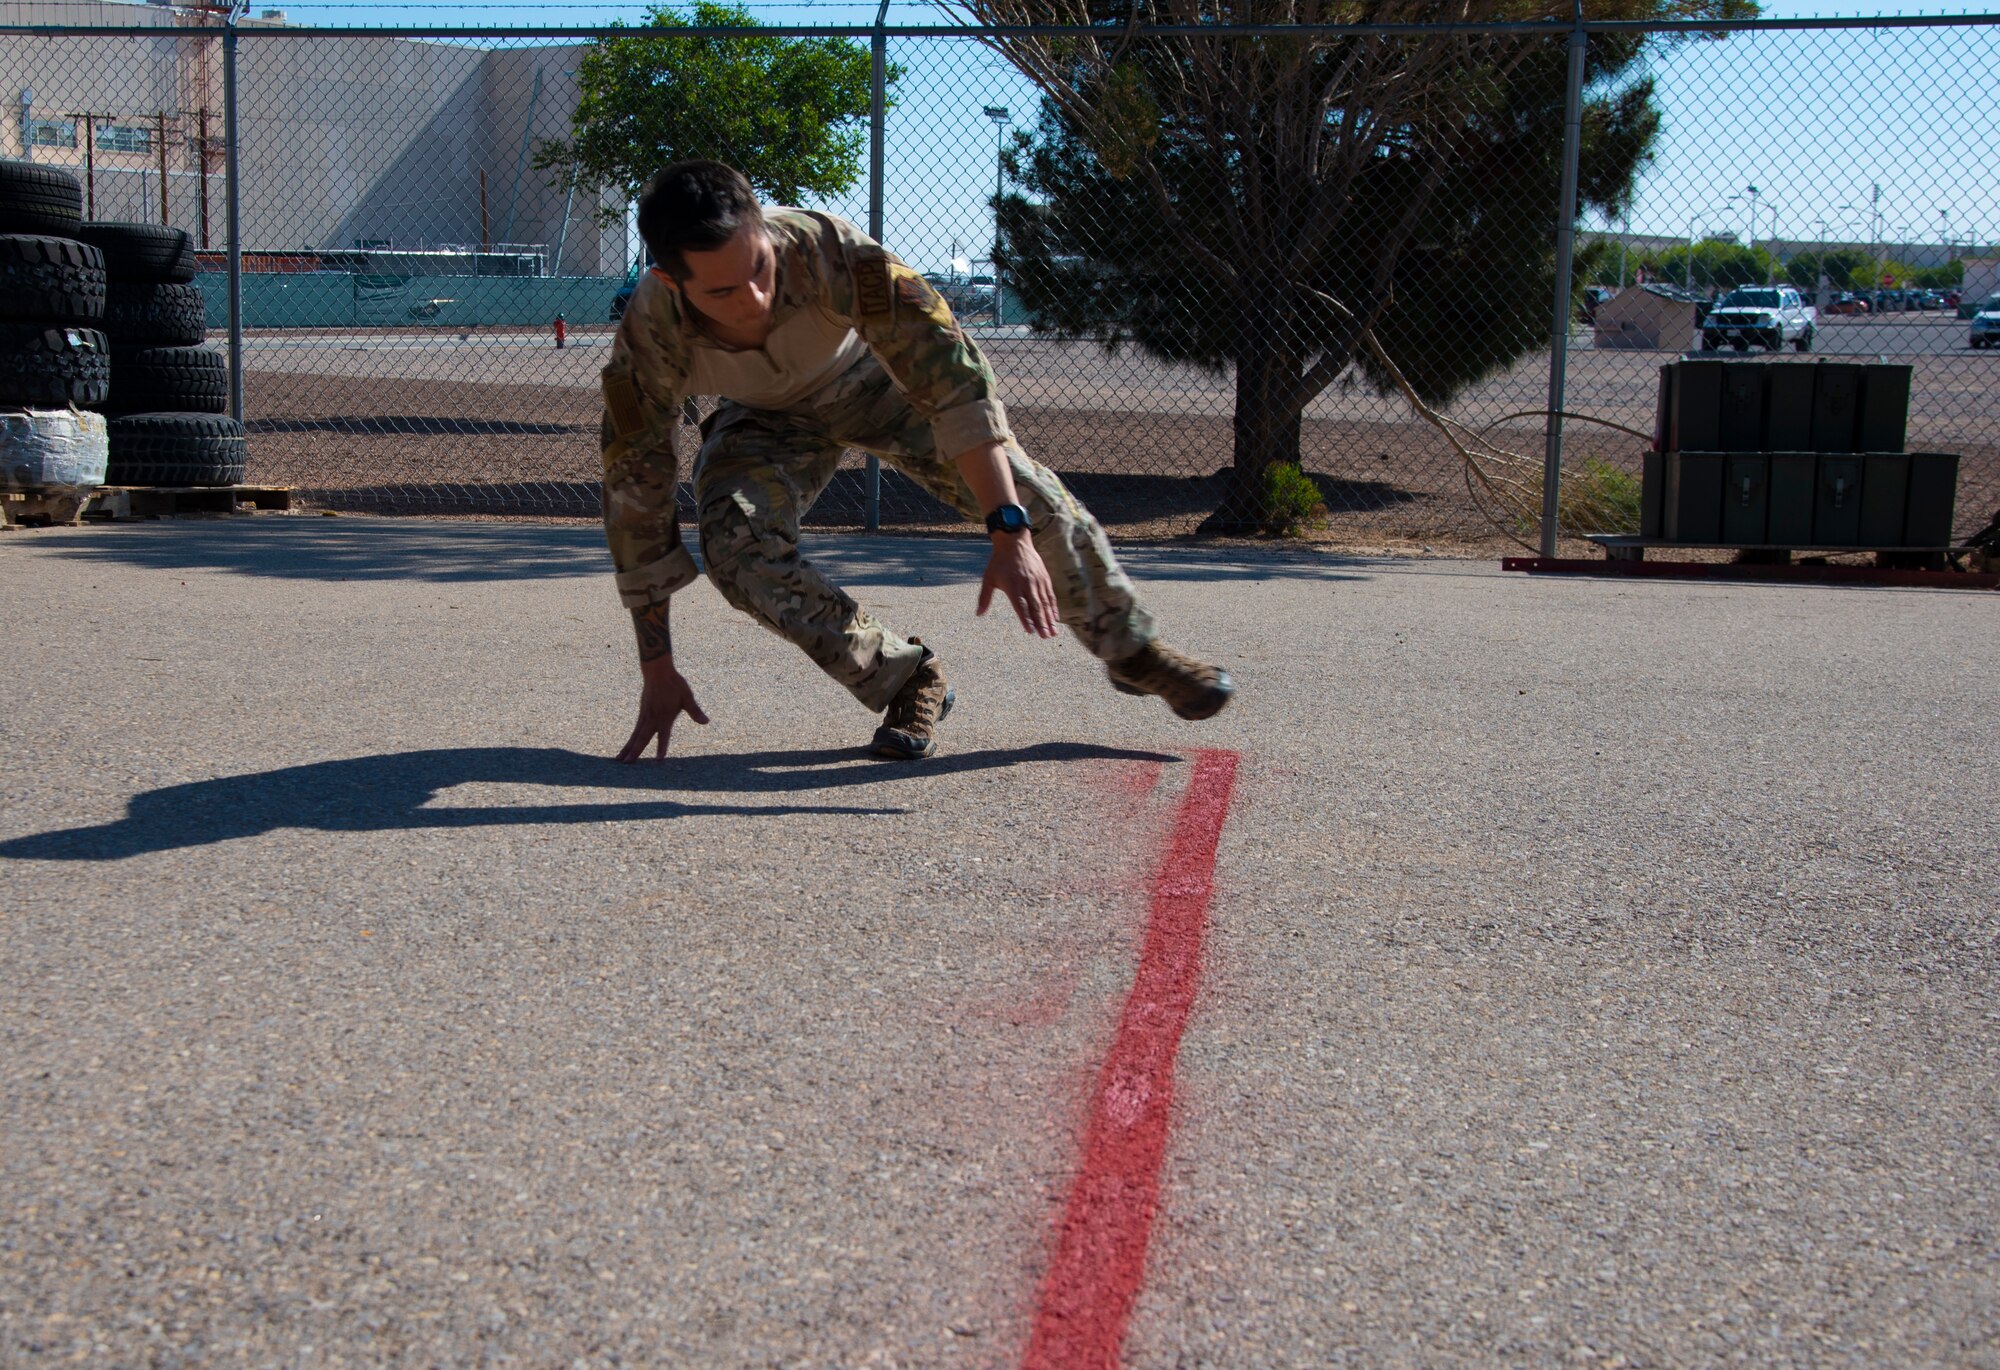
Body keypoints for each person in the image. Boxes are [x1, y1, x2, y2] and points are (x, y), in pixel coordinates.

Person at [599, 160, 1234, 763]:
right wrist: (656, 668)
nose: (758, 299)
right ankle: (906, 679)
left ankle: (1131, 651)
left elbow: (951, 380)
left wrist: (1007, 528)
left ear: (765, 230)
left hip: (878, 382)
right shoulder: (648, 338)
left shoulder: (831, 253)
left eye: (762, 269)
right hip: (764, 418)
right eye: (725, 291)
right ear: (669, 281)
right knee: (737, 551)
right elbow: (638, 495)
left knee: (1031, 498)